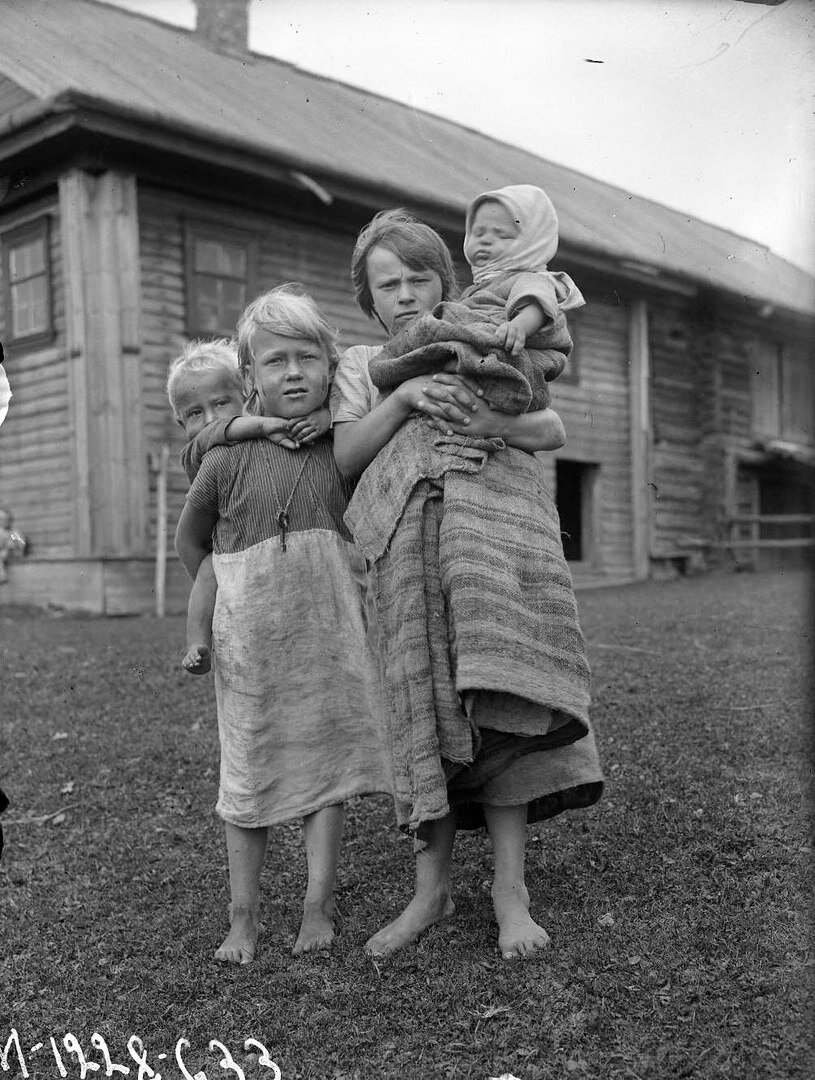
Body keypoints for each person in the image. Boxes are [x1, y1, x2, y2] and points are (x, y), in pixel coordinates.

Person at [331, 205, 603, 961]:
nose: (404, 294)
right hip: (406, 552)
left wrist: (489, 422)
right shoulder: (360, 365)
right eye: (387, 284)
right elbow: (345, 457)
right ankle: (430, 889)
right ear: (368, 297)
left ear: (441, 280)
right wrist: (406, 398)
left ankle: (509, 890)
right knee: (425, 705)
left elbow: (549, 428)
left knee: (501, 694)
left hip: (493, 545)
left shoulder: (476, 329)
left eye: (418, 276)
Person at [174, 286, 390, 964]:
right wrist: (222, 603)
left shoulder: (341, 447)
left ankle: (316, 906)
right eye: (275, 363)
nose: (292, 373)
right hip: (251, 650)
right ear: (249, 378)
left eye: (307, 359)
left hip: (328, 640)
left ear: (329, 367)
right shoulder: (224, 458)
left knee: (327, 771)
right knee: (249, 777)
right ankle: (243, 919)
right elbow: (193, 542)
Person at [166, 338, 330, 674]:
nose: (210, 418)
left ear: (245, 397)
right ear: (182, 425)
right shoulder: (201, 449)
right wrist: (262, 424)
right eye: (195, 413)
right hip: (226, 551)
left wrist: (325, 416)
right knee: (209, 573)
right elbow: (223, 430)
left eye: (221, 403)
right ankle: (197, 640)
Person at [0, 507, 26, 585]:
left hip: (11, 553)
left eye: (4, 519)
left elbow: (22, 544)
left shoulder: (12, 533)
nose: (2, 521)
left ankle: (2, 575)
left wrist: (12, 545)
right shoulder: (1, 531)